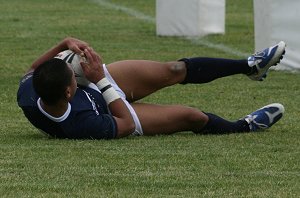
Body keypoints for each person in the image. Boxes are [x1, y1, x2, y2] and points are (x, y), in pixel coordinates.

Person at [17, 37, 286, 139]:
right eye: (73, 76)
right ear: (67, 92)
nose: (75, 73)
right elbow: (124, 122)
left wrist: (64, 45)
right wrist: (100, 79)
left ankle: (250, 66)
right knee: (192, 116)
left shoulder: (30, 91)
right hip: (112, 112)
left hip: (94, 88)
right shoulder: (80, 125)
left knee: (174, 70)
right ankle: (245, 126)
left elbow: (33, 69)